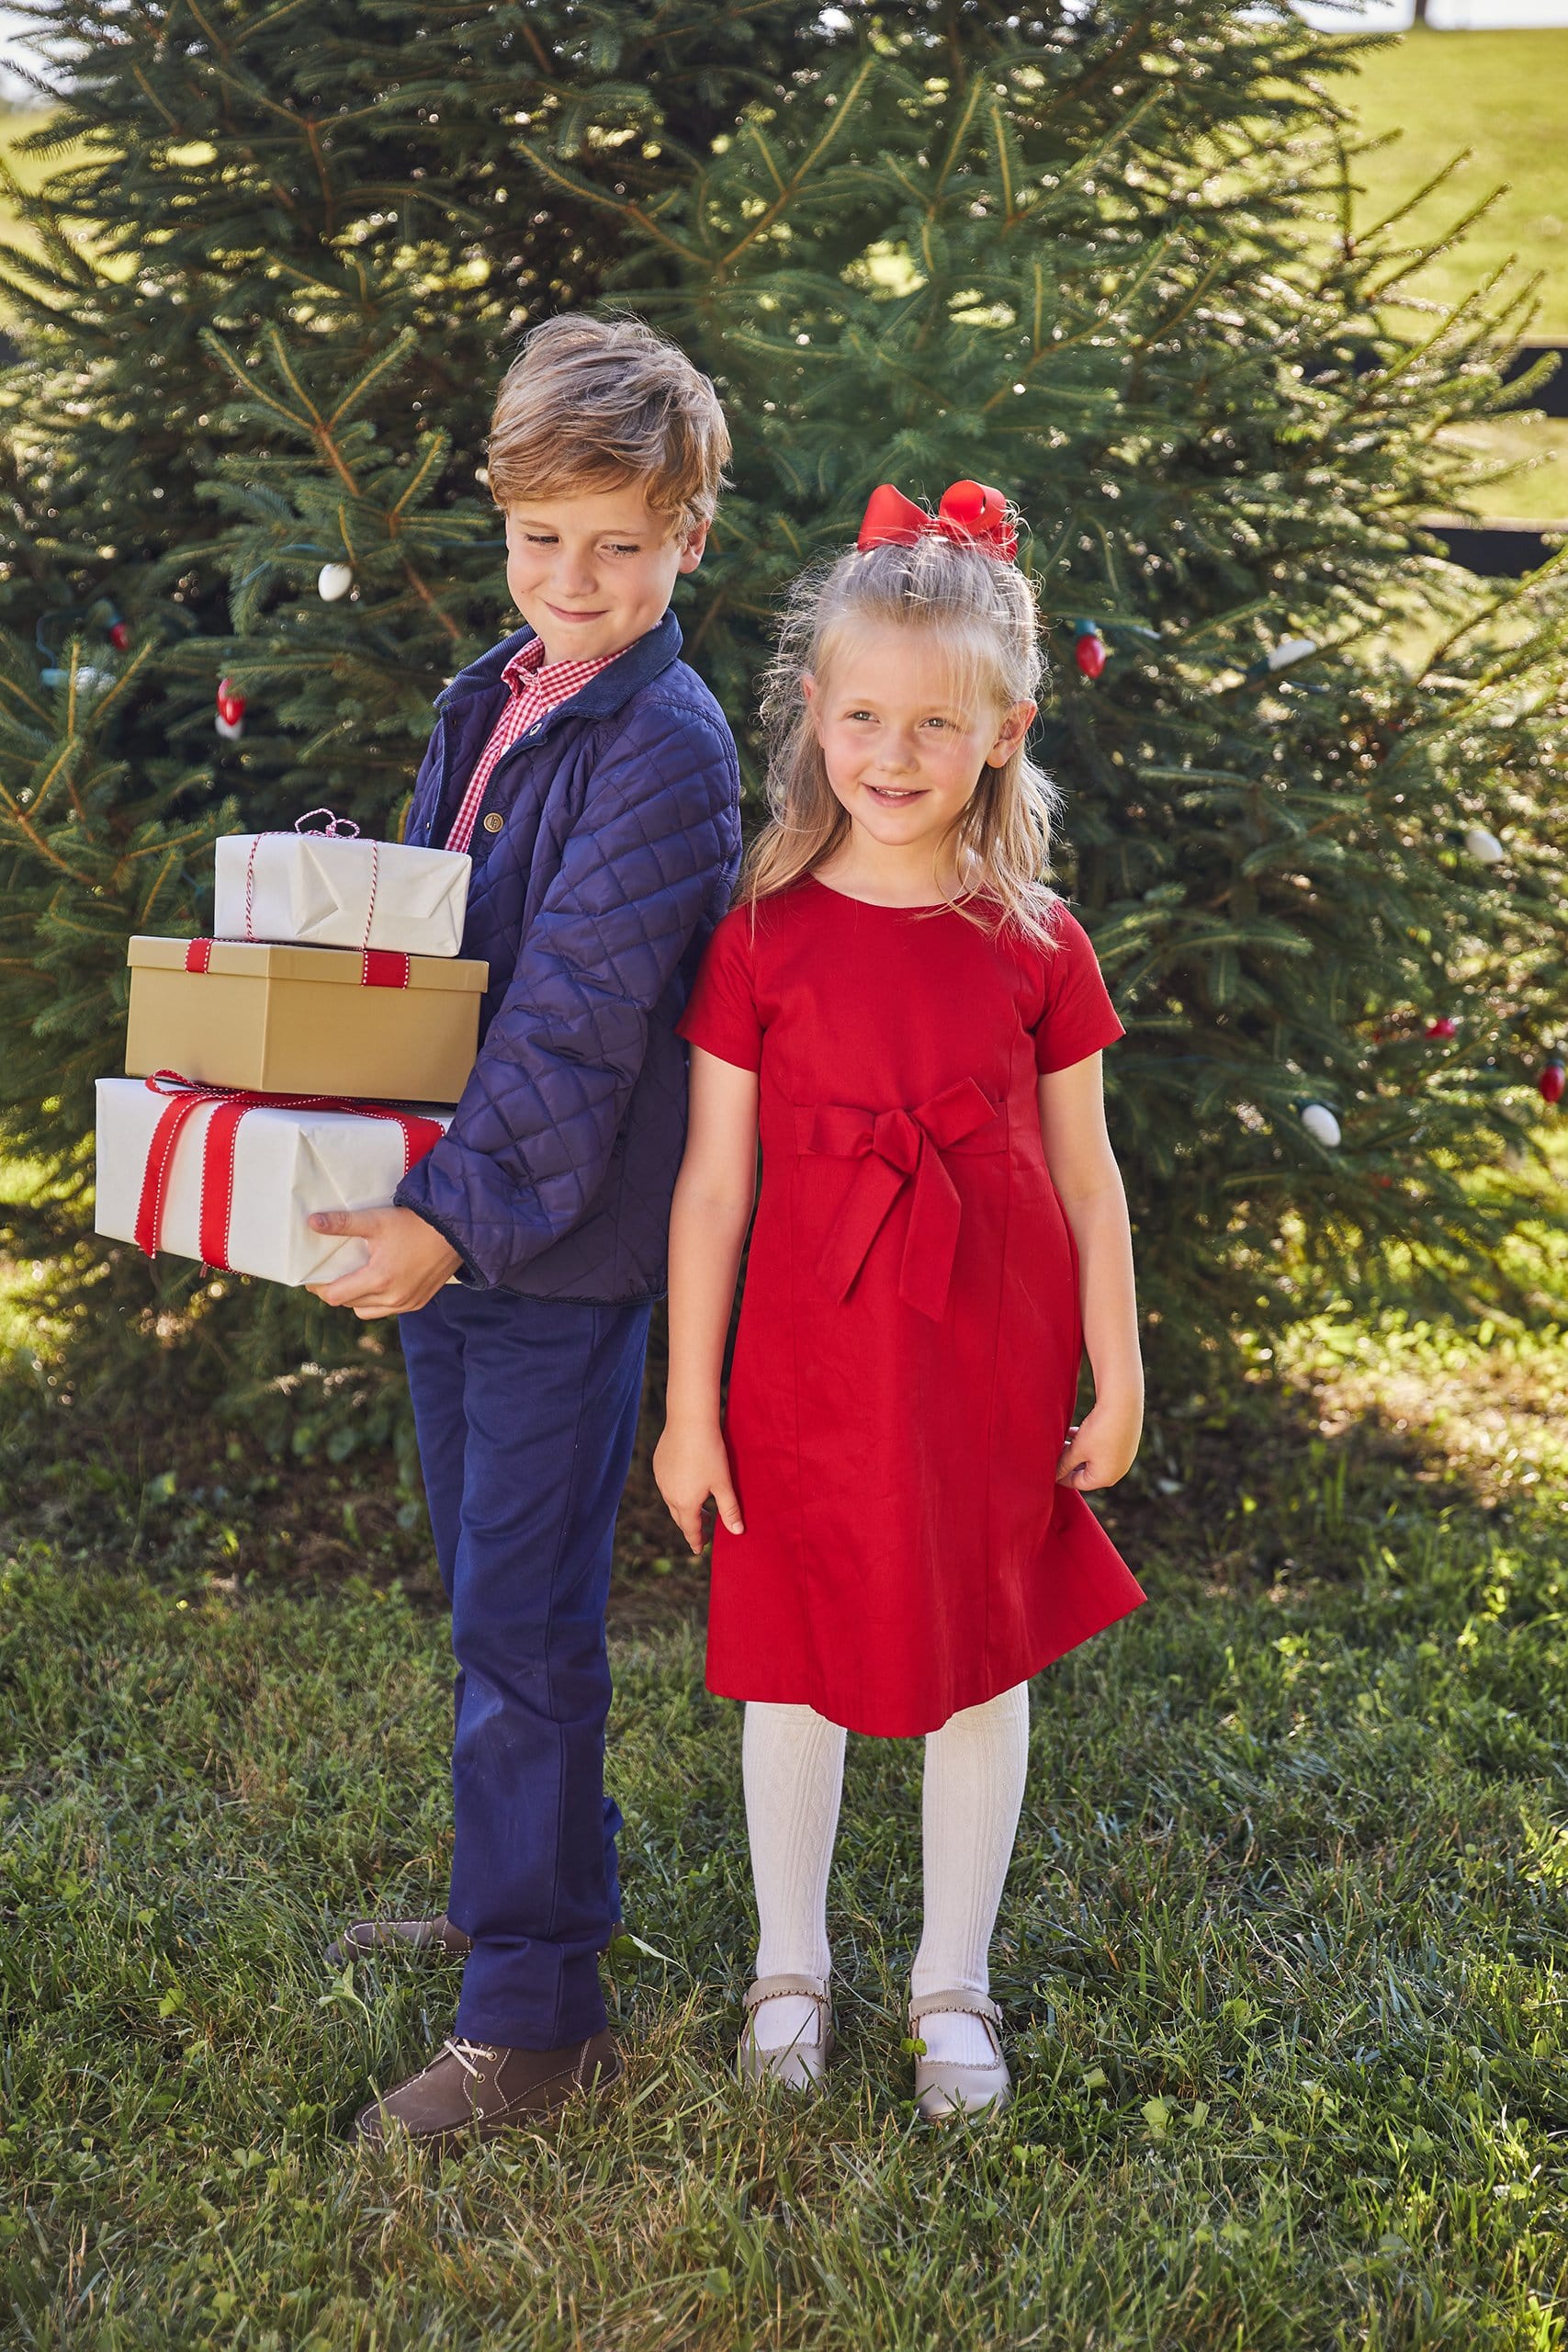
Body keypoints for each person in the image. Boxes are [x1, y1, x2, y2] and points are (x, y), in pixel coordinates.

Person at [653, 480, 1145, 2121]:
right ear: (813, 716)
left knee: (975, 1658)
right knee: (792, 1657)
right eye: (864, 715)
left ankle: (955, 1984)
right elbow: (715, 1188)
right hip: (804, 1370)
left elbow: (1088, 1180)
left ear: (1004, 730)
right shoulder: (760, 942)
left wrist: (1117, 1371)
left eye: (937, 722)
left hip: (979, 1367)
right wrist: (690, 1407)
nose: (894, 752)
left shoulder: (1037, 945)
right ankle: (788, 1963)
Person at [305, 313, 741, 2150]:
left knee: (528, 1628)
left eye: (614, 545)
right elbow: (446, 966)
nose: (571, 579)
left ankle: (533, 2015)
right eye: (539, 537)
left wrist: (450, 1223)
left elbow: (570, 1032)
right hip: (458, 1223)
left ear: (683, 541)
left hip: (544, 1254)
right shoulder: (497, 694)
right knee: (492, 1606)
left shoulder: (663, 749)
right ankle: (515, 1905)